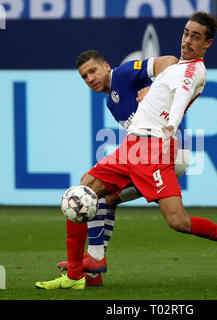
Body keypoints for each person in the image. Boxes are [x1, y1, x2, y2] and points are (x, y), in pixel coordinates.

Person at [36, 12, 217, 290]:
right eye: (186, 33)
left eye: (195, 36)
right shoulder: (167, 75)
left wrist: (168, 120)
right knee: (86, 190)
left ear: (207, 44)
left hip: (157, 149)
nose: (187, 40)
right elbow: (174, 72)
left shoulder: (189, 70)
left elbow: (181, 90)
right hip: (133, 149)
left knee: (178, 221)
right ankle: (80, 274)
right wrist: (156, 90)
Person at [55, 51, 187, 286]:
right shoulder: (110, 102)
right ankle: (94, 270)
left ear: (106, 66)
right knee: (106, 197)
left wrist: (156, 86)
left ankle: (94, 259)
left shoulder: (125, 73)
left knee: (90, 190)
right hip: (151, 156)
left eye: (93, 71)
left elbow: (171, 62)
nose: (90, 79)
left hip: (165, 156)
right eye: (84, 77)